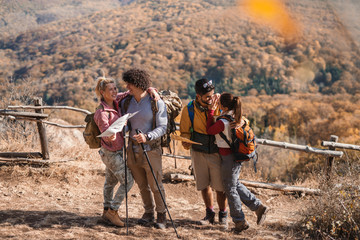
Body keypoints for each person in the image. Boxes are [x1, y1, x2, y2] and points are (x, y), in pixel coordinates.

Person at [94, 76, 159, 227]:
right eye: (110, 89)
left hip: (114, 152)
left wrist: (150, 89)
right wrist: (111, 136)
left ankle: (105, 210)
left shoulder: (117, 102)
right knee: (128, 180)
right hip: (110, 153)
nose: (114, 91)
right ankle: (113, 211)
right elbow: (105, 131)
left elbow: (131, 92)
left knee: (110, 182)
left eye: (115, 88)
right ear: (102, 92)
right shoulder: (102, 112)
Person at [206, 92, 269, 233]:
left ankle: (239, 221)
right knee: (234, 184)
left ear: (222, 106)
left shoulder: (223, 121)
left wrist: (211, 111)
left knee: (230, 188)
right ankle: (258, 207)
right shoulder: (236, 116)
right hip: (235, 156)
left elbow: (209, 130)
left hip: (228, 157)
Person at [120, 68, 168, 229]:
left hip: (151, 149)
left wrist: (147, 136)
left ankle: (162, 215)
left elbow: (163, 127)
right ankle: (149, 213)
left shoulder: (156, 102)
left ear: (139, 84)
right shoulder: (126, 102)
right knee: (142, 185)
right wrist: (123, 128)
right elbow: (125, 127)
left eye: (130, 84)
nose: (127, 87)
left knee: (155, 184)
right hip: (132, 150)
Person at [179, 78, 228, 229]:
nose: (210, 99)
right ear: (198, 96)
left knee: (220, 187)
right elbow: (185, 131)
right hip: (198, 152)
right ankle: (209, 214)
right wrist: (185, 141)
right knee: (204, 184)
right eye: (207, 96)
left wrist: (219, 105)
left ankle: (223, 215)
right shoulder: (189, 109)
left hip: (216, 152)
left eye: (212, 95)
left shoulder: (219, 105)